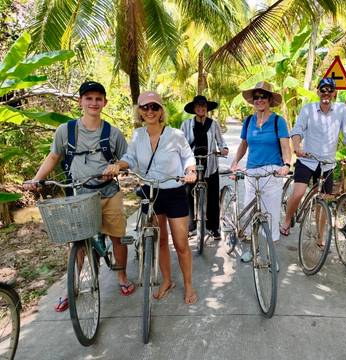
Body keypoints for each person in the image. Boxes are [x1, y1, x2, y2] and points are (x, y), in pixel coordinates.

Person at [24, 81, 134, 311]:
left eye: (98, 98)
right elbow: (54, 157)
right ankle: (70, 288)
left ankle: (121, 276)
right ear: (80, 102)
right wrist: (36, 179)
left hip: (108, 193)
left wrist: (117, 165)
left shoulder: (112, 132)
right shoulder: (66, 130)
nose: (94, 103)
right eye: (89, 98)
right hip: (79, 195)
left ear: (104, 102)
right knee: (79, 244)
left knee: (117, 237)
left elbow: (129, 159)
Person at [104, 91, 198, 304]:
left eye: (154, 107)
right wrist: (118, 165)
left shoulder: (175, 134)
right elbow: (130, 157)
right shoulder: (138, 135)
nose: (149, 111)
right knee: (161, 240)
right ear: (139, 111)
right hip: (150, 192)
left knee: (181, 243)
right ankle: (166, 280)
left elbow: (188, 156)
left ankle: (189, 285)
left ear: (161, 110)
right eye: (145, 107)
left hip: (173, 191)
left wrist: (191, 171)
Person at [280, 77, 346, 236]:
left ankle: (320, 236)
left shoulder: (342, 111)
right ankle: (287, 219)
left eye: (330, 90)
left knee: (324, 201)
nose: (326, 93)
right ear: (318, 92)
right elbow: (298, 130)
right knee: (299, 193)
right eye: (323, 90)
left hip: (327, 164)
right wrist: (297, 147)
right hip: (307, 160)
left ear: (335, 93)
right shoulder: (308, 109)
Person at [230, 81, 292, 261]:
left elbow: (285, 146)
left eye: (263, 96)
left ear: (269, 99)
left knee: (271, 214)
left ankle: (271, 256)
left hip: (272, 171)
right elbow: (243, 145)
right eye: (256, 97)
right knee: (250, 211)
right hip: (251, 171)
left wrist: (286, 165)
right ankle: (251, 248)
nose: (259, 100)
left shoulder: (278, 121)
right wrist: (235, 162)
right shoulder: (248, 121)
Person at [180, 95, 229, 240]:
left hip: (210, 162)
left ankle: (213, 228)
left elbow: (221, 141)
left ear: (207, 109)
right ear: (194, 109)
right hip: (191, 165)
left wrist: (223, 149)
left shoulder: (213, 124)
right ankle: (190, 227)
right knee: (187, 193)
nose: (201, 108)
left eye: (204, 106)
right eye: (198, 106)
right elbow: (180, 143)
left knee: (213, 196)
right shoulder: (186, 124)